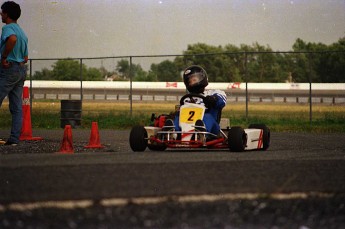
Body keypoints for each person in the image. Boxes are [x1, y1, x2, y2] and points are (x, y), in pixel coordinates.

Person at [166, 65, 227, 136]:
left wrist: (214, 99)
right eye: (190, 81)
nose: (192, 82)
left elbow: (222, 101)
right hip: (187, 126)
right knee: (178, 116)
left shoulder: (213, 93)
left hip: (212, 127)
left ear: (202, 78)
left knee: (207, 116)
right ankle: (173, 132)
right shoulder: (187, 99)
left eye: (194, 80)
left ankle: (200, 132)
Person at [0, 1, 28, 146]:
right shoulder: (22, 31)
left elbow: (12, 39)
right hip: (21, 69)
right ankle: (14, 139)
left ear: (7, 14)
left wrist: (4, 57)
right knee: (16, 106)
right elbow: (26, 57)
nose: (1, 14)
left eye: (2, 11)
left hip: (9, 69)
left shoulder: (8, 29)